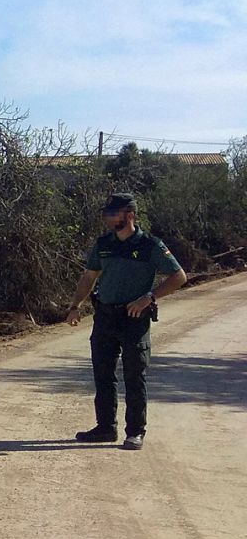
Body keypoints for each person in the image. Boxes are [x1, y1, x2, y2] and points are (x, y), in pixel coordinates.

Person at [63, 192, 186, 450]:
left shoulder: (150, 244)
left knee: (134, 375)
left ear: (129, 214)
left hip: (134, 318)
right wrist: (75, 306)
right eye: (107, 212)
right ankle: (105, 428)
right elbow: (89, 277)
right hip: (105, 315)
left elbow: (178, 276)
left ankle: (135, 432)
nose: (108, 217)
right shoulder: (103, 244)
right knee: (103, 374)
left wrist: (149, 298)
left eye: (113, 212)